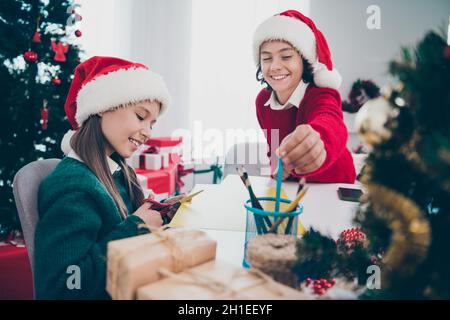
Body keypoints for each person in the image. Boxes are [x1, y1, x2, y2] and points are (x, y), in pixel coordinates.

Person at [34, 56, 179, 299]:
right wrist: (137, 228)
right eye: (141, 116)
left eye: (152, 124)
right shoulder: (73, 187)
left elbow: (116, 227)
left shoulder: (116, 172)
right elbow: (64, 286)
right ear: (102, 106)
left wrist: (157, 213)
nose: (147, 132)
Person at [253, 10, 356, 183]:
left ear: (304, 60)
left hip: (333, 186)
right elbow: (275, 151)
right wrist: (277, 167)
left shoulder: (321, 93)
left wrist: (318, 138)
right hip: (293, 189)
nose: (274, 66)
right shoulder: (262, 101)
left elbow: (330, 121)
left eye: (286, 56)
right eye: (266, 58)